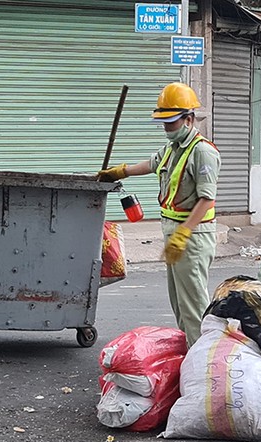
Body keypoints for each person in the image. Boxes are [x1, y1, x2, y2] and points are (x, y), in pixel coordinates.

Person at [97, 82, 220, 347]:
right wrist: (121, 171)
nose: (166, 128)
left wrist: (184, 234)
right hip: (174, 232)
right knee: (179, 302)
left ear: (188, 119)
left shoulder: (202, 152)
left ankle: (203, 362)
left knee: (194, 305)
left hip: (192, 236)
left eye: (171, 123)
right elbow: (152, 164)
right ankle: (191, 352)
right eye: (163, 122)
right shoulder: (174, 149)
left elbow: (207, 199)